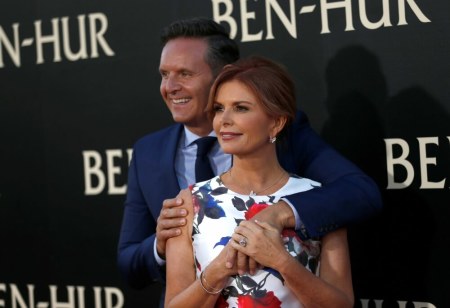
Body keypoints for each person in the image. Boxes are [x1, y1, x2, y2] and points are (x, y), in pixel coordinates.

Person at [117, 17, 380, 305]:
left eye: (184, 74)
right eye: (164, 74)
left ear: (220, 75)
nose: (170, 86)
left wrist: (280, 214)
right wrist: (162, 242)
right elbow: (130, 262)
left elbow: (358, 192)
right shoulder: (152, 157)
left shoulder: (296, 152)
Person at [165, 56, 354, 307]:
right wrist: (220, 268)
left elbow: (342, 304)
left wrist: (280, 261)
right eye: (220, 108)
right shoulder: (190, 203)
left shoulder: (317, 200)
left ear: (276, 122)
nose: (224, 120)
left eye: (241, 108)